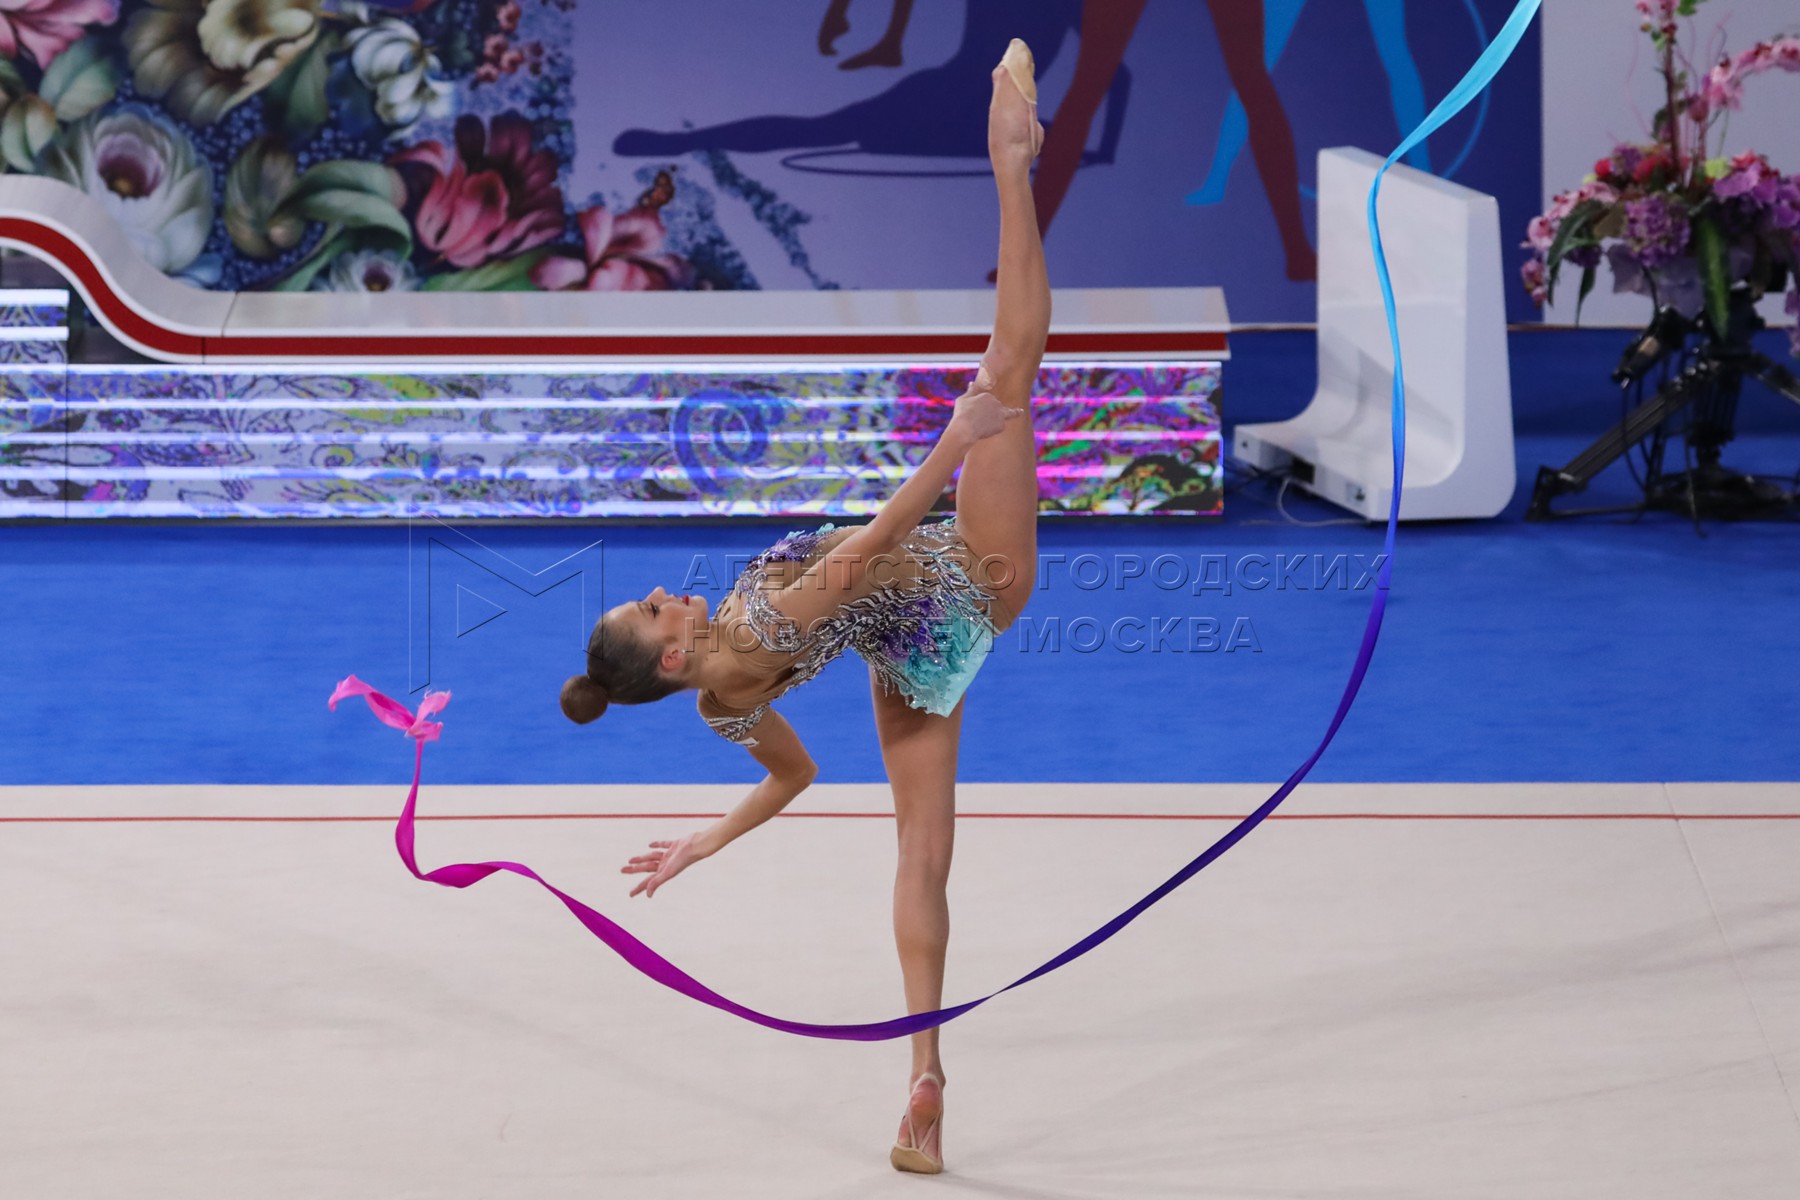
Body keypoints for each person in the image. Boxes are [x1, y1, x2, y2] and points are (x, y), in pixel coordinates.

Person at [563, 39, 1050, 1176]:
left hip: (907, 657)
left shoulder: (719, 707)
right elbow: (880, 536)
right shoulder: (770, 621)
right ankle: (1010, 164)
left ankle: (925, 1082)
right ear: (671, 654)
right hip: (967, 581)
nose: (662, 593)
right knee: (1010, 360)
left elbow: (794, 776)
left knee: (920, 860)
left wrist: (706, 840)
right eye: (653, 609)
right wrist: (957, 438)